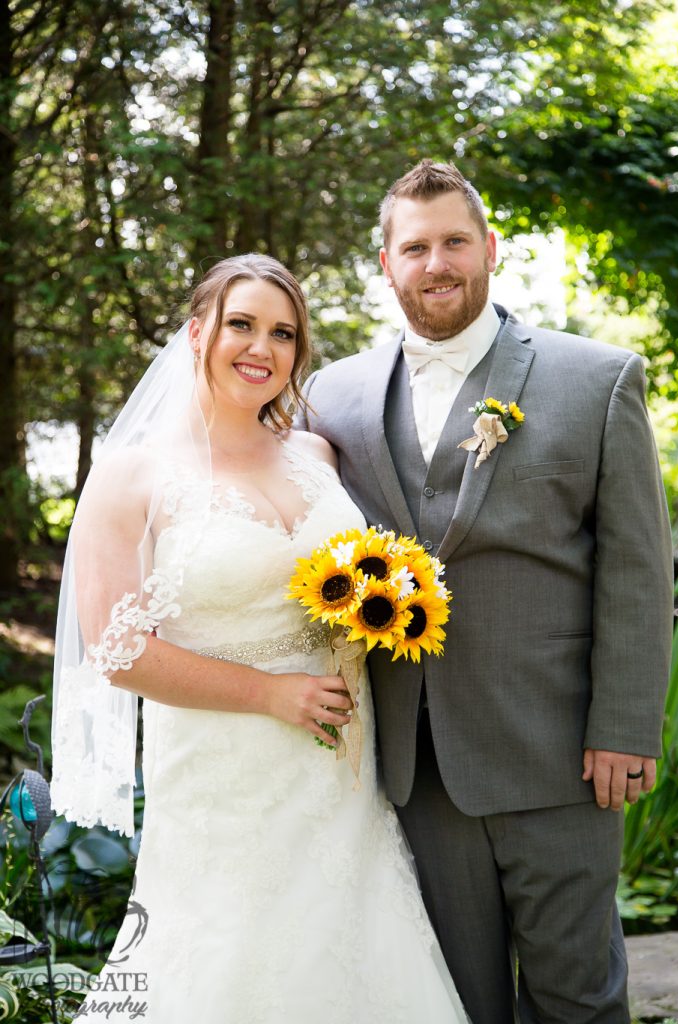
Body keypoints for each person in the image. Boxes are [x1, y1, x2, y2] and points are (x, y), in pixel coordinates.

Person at [298, 160, 673, 1023]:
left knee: (575, 998)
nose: (438, 264)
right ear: (386, 263)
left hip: (560, 756)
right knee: (453, 1004)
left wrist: (621, 727)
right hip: (413, 768)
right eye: (416, 246)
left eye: (454, 242)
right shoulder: (334, 395)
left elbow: (636, 570)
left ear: (490, 249)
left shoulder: (597, 378)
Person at [50, 254, 470, 1022]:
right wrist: (270, 693)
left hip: (339, 770)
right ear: (197, 332)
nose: (261, 347)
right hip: (223, 771)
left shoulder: (315, 455)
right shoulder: (131, 476)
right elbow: (115, 651)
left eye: (283, 332)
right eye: (241, 324)